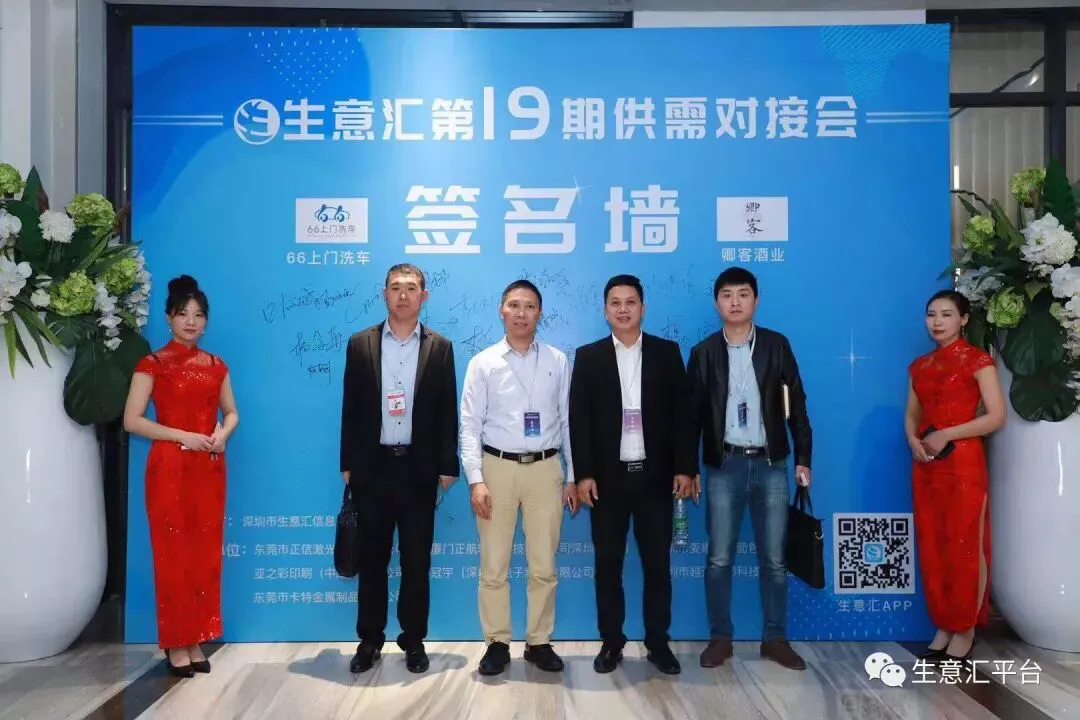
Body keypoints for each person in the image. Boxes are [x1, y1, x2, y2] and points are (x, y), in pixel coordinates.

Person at [568, 274, 697, 675]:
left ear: (643, 308)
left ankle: (658, 643)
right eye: (615, 302)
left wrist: (685, 468)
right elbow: (579, 420)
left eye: (630, 302)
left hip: (655, 479)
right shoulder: (589, 356)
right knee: (608, 566)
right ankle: (612, 643)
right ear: (605, 310)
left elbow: (683, 414)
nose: (623, 309)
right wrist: (584, 474)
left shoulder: (666, 352)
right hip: (607, 482)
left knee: (657, 566)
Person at [686, 267, 812, 671]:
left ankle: (775, 639)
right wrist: (687, 469)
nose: (735, 301)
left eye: (743, 294)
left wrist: (803, 458)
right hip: (725, 467)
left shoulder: (776, 345)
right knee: (719, 558)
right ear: (717, 303)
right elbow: (690, 418)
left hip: (772, 464)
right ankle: (720, 638)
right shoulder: (704, 353)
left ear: (756, 300)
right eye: (727, 294)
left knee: (774, 559)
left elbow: (797, 406)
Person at [339, 263, 459, 674]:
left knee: (416, 560)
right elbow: (351, 408)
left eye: (411, 288)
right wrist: (348, 462)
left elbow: (447, 410)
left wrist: (447, 465)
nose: (403, 295)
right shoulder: (360, 343)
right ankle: (370, 639)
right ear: (384, 294)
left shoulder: (440, 347)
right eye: (395, 287)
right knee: (372, 558)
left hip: (418, 469)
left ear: (424, 296)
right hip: (372, 468)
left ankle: (413, 640)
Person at [459, 278, 579, 676]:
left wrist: (573, 476)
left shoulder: (557, 360)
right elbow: (469, 426)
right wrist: (476, 479)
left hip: (546, 469)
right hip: (497, 469)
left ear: (539, 313)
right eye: (514, 305)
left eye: (529, 306)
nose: (521, 313)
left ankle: (538, 642)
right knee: (494, 563)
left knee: (543, 563)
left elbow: (567, 422)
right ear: (502, 310)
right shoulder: (483, 362)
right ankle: (496, 643)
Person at [123, 275, 239, 677]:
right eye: (183, 314)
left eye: (198, 315)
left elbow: (232, 413)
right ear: (169, 317)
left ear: (206, 322)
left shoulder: (216, 365)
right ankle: (175, 642)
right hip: (169, 468)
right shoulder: (152, 364)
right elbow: (132, 420)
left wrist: (222, 434)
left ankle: (195, 638)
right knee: (172, 555)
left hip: (209, 468)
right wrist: (181, 436)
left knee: (204, 555)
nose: (191, 321)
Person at [905, 289, 1005, 662]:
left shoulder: (978, 361)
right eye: (932, 314)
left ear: (964, 320)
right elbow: (912, 414)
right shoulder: (920, 366)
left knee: (965, 544)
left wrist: (948, 433)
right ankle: (944, 623)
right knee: (934, 544)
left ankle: (965, 627)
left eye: (947, 314)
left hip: (963, 463)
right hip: (927, 463)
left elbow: (996, 417)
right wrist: (913, 440)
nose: (937, 322)